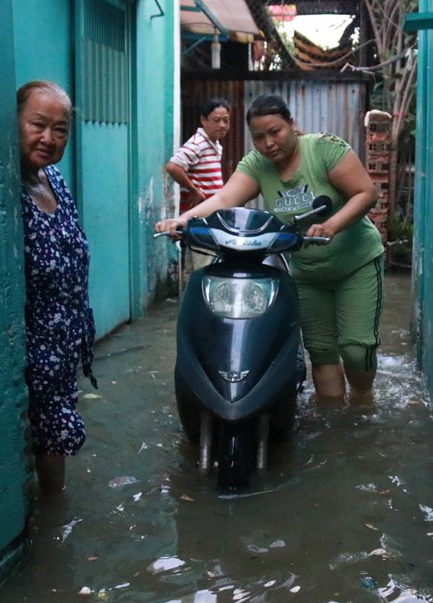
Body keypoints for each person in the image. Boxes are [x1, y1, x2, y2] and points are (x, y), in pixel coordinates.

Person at [156, 94, 384, 403]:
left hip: (355, 265)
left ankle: (362, 402)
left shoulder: (324, 149)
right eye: (259, 137)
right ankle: (338, 425)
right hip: (307, 271)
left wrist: (332, 225)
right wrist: (181, 221)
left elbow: (366, 192)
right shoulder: (257, 164)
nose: (268, 143)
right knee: (321, 352)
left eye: (275, 132)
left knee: (357, 350)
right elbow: (224, 200)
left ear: (291, 124)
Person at [17, 80, 97, 494]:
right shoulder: (7, 191)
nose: (48, 138)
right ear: (14, 122)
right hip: (34, 355)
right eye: (37, 124)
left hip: (65, 346)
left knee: (55, 439)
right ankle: (49, 519)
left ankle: (55, 516)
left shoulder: (53, 180)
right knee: (43, 438)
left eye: (60, 129)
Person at [165, 98, 232, 279]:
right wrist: (194, 190)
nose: (222, 125)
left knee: (194, 270)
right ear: (204, 120)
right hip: (200, 221)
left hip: (208, 221)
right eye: (217, 120)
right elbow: (173, 167)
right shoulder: (198, 143)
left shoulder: (214, 145)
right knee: (204, 271)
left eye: (226, 120)